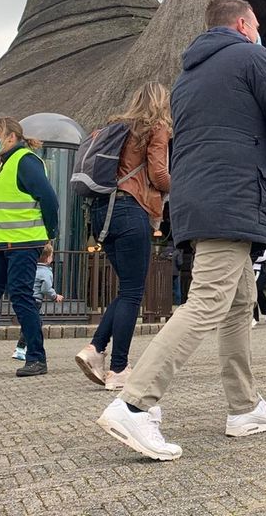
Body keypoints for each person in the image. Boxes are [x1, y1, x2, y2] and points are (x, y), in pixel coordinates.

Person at [96, 0, 266, 461]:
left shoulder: (186, 79)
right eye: (256, 24)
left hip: (197, 198)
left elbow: (213, 137)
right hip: (231, 197)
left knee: (239, 303)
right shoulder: (251, 57)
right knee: (206, 302)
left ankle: (244, 407)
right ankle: (135, 404)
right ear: (242, 24)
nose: (259, 32)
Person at [75, 82, 173, 391]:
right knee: (132, 293)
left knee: (127, 289)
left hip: (103, 213)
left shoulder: (118, 127)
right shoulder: (156, 127)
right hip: (131, 210)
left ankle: (95, 348)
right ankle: (118, 368)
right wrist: (183, 186)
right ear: (162, 103)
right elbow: (158, 174)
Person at [0, 117, 59, 378]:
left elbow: (49, 198)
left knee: (21, 297)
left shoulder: (25, 161)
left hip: (23, 243)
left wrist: (50, 234)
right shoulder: (4, 165)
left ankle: (36, 357)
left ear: (12, 137)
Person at [14, 244, 63, 361]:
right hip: (36, 301)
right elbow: (46, 288)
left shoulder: (31, 268)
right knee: (34, 324)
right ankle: (20, 349)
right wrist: (55, 296)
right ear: (48, 258)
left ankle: (24, 347)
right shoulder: (46, 272)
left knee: (28, 323)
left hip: (26, 298)